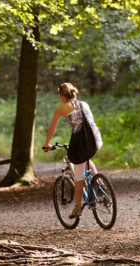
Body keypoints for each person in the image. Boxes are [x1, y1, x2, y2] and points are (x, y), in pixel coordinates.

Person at [43, 82, 103, 219]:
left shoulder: (62, 109)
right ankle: (98, 181)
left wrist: (47, 144)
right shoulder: (84, 104)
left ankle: (77, 208)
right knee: (87, 158)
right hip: (96, 140)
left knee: (79, 176)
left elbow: (52, 129)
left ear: (62, 96)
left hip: (81, 144)